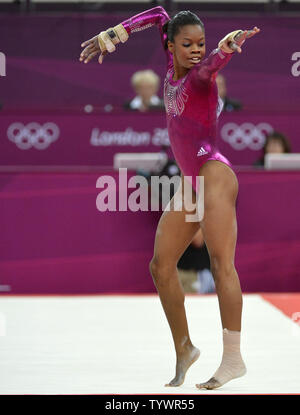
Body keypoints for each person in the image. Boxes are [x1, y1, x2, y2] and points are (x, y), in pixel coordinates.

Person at [79, 6, 260, 390]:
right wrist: (114, 35)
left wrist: (225, 47)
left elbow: (212, 65)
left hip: (213, 172)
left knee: (221, 263)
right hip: (190, 180)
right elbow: (160, 13)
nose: (196, 50)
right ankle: (184, 348)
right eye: (188, 44)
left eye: (201, 43)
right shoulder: (170, 61)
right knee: (161, 267)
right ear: (172, 45)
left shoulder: (200, 76)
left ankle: (232, 358)